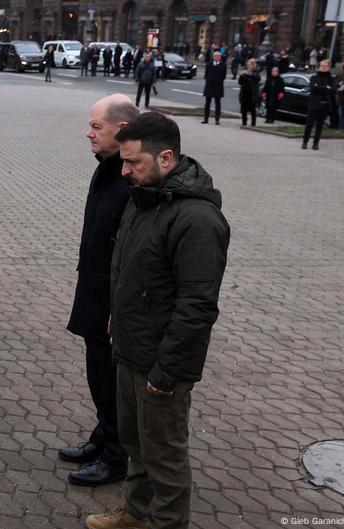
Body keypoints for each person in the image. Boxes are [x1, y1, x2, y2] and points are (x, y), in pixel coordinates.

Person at [85, 111, 230, 529]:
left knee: (164, 455)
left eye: (133, 163)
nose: (124, 170)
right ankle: (134, 513)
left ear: (166, 158)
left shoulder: (197, 220)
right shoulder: (143, 197)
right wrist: (116, 312)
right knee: (135, 443)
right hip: (131, 348)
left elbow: (198, 306)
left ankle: (167, 522)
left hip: (161, 362)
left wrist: (167, 371)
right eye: (124, 162)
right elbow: (127, 267)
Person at [63, 94, 140, 487]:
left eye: (96, 127)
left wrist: (118, 304)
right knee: (97, 372)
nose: (89, 133)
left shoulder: (132, 178)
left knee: (110, 381)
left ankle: (115, 457)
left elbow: (135, 251)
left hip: (114, 300)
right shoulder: (110, 167)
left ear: (122, 130)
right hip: (95, 288)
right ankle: (102, 437)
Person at [303, 59, 337, 150]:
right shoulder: (314, 77)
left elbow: (333, 89)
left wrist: (321, 88)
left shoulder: (332, 78)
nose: (324, 67)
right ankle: (305, 142)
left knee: (319, 126)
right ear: (319, 67)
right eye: (322, 66)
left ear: (328, 67)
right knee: (309, 124)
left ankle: (315, 144)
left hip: (324, 105)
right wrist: (325, 88)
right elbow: (313, 88)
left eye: (326, 66)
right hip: (313, 104)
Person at [203, 51, 227, 125]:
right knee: (207, 103)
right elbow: (206, 74)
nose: (216, 57)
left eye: (218, 56)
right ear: (213, 57)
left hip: (218, 86)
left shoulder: (223, 65)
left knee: (217, 104)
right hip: (209, 85)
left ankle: (217, 120)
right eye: (215, 56)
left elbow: (224, 76)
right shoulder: (209, 64)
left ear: (220, 57)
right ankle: (206, 119)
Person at [238, 58, 260, 127]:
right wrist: (241, 76)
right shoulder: (246, 72)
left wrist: (251, 75)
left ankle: (253, 123)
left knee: (252, 108)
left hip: (252, 93)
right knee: (243, 108)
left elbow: (257, 79)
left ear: (253, 65)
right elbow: (240, 82)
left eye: (249, 64)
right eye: (248, 64)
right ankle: (244, 122)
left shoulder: (256, 71)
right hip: (245, 92)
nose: (248, 65)